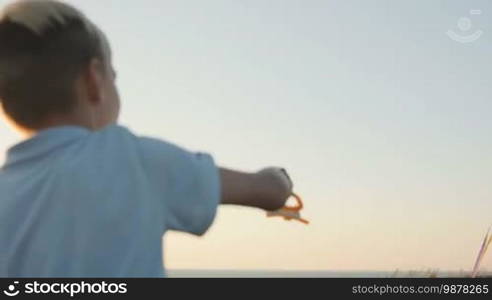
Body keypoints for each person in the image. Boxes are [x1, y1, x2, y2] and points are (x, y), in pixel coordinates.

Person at [0, 0, 293, 277]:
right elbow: (267, 191)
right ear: (94, 80)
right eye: (114, 77)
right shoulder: (132, 161)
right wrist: (278, 177)